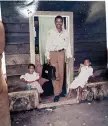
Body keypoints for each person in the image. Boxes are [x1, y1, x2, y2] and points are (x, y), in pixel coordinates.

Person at [45, 15, 72, 102]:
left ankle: (59, 91)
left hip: (61, 53)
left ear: (62, 22)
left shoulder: (66, 32)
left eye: (60, 21)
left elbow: (68, 45)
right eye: (57, 22)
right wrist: (48, 56)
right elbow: (47, 45)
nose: (59, 23)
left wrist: (68, 55)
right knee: (54, 74)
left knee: (61, 73)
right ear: (55, 22)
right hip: (53, 53)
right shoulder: (51, 32)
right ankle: (56, 94)